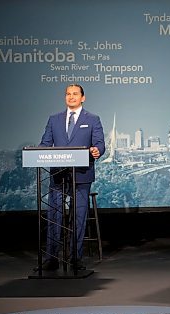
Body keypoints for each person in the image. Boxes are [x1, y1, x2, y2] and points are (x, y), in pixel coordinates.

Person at [39, 84, 105, 270]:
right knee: (54, 216)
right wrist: (39, 152)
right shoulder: (54, 119)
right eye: (68, 94)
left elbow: (100, 143)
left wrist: (96, 150)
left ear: (83, 97)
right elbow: (45, 143)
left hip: (82, 175)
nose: (71, 97)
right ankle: (51, 258)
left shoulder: (92, 119)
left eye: (75, 94)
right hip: (58, 176)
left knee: (78, 217)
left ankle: (75, 258)